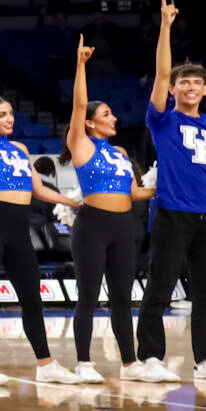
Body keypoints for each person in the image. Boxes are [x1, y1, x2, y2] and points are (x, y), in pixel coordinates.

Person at [0, 30, 83, 383]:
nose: (9, 118)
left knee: (32, 296)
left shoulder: (17, 149)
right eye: (2, 114)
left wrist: (72, 202)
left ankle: (46, 365)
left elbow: (38, 190)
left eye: (11, 113)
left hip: (20, 227)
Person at [134, 0, 206, 382]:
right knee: (160, 287)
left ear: (205, 88)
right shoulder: (164, 121)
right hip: (172, 213)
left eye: (197, 82)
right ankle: (149, 358)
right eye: (184, 82)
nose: (191, 86)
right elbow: (161, 75)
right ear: (175, 89)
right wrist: (165, 27)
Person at [64, 38, 149, 383]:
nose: (114, 118)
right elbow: (79, 103)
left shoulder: (122, 153)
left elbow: (135, 192)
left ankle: (130, 364)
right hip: (92, 226)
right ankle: (83, 363)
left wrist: (173, 188)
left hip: (123, 226)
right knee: (88, 297)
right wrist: (81, 64)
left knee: (122, 299)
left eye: (112, 113)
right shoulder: (81, 144)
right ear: (89, 123)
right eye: (105, 114)